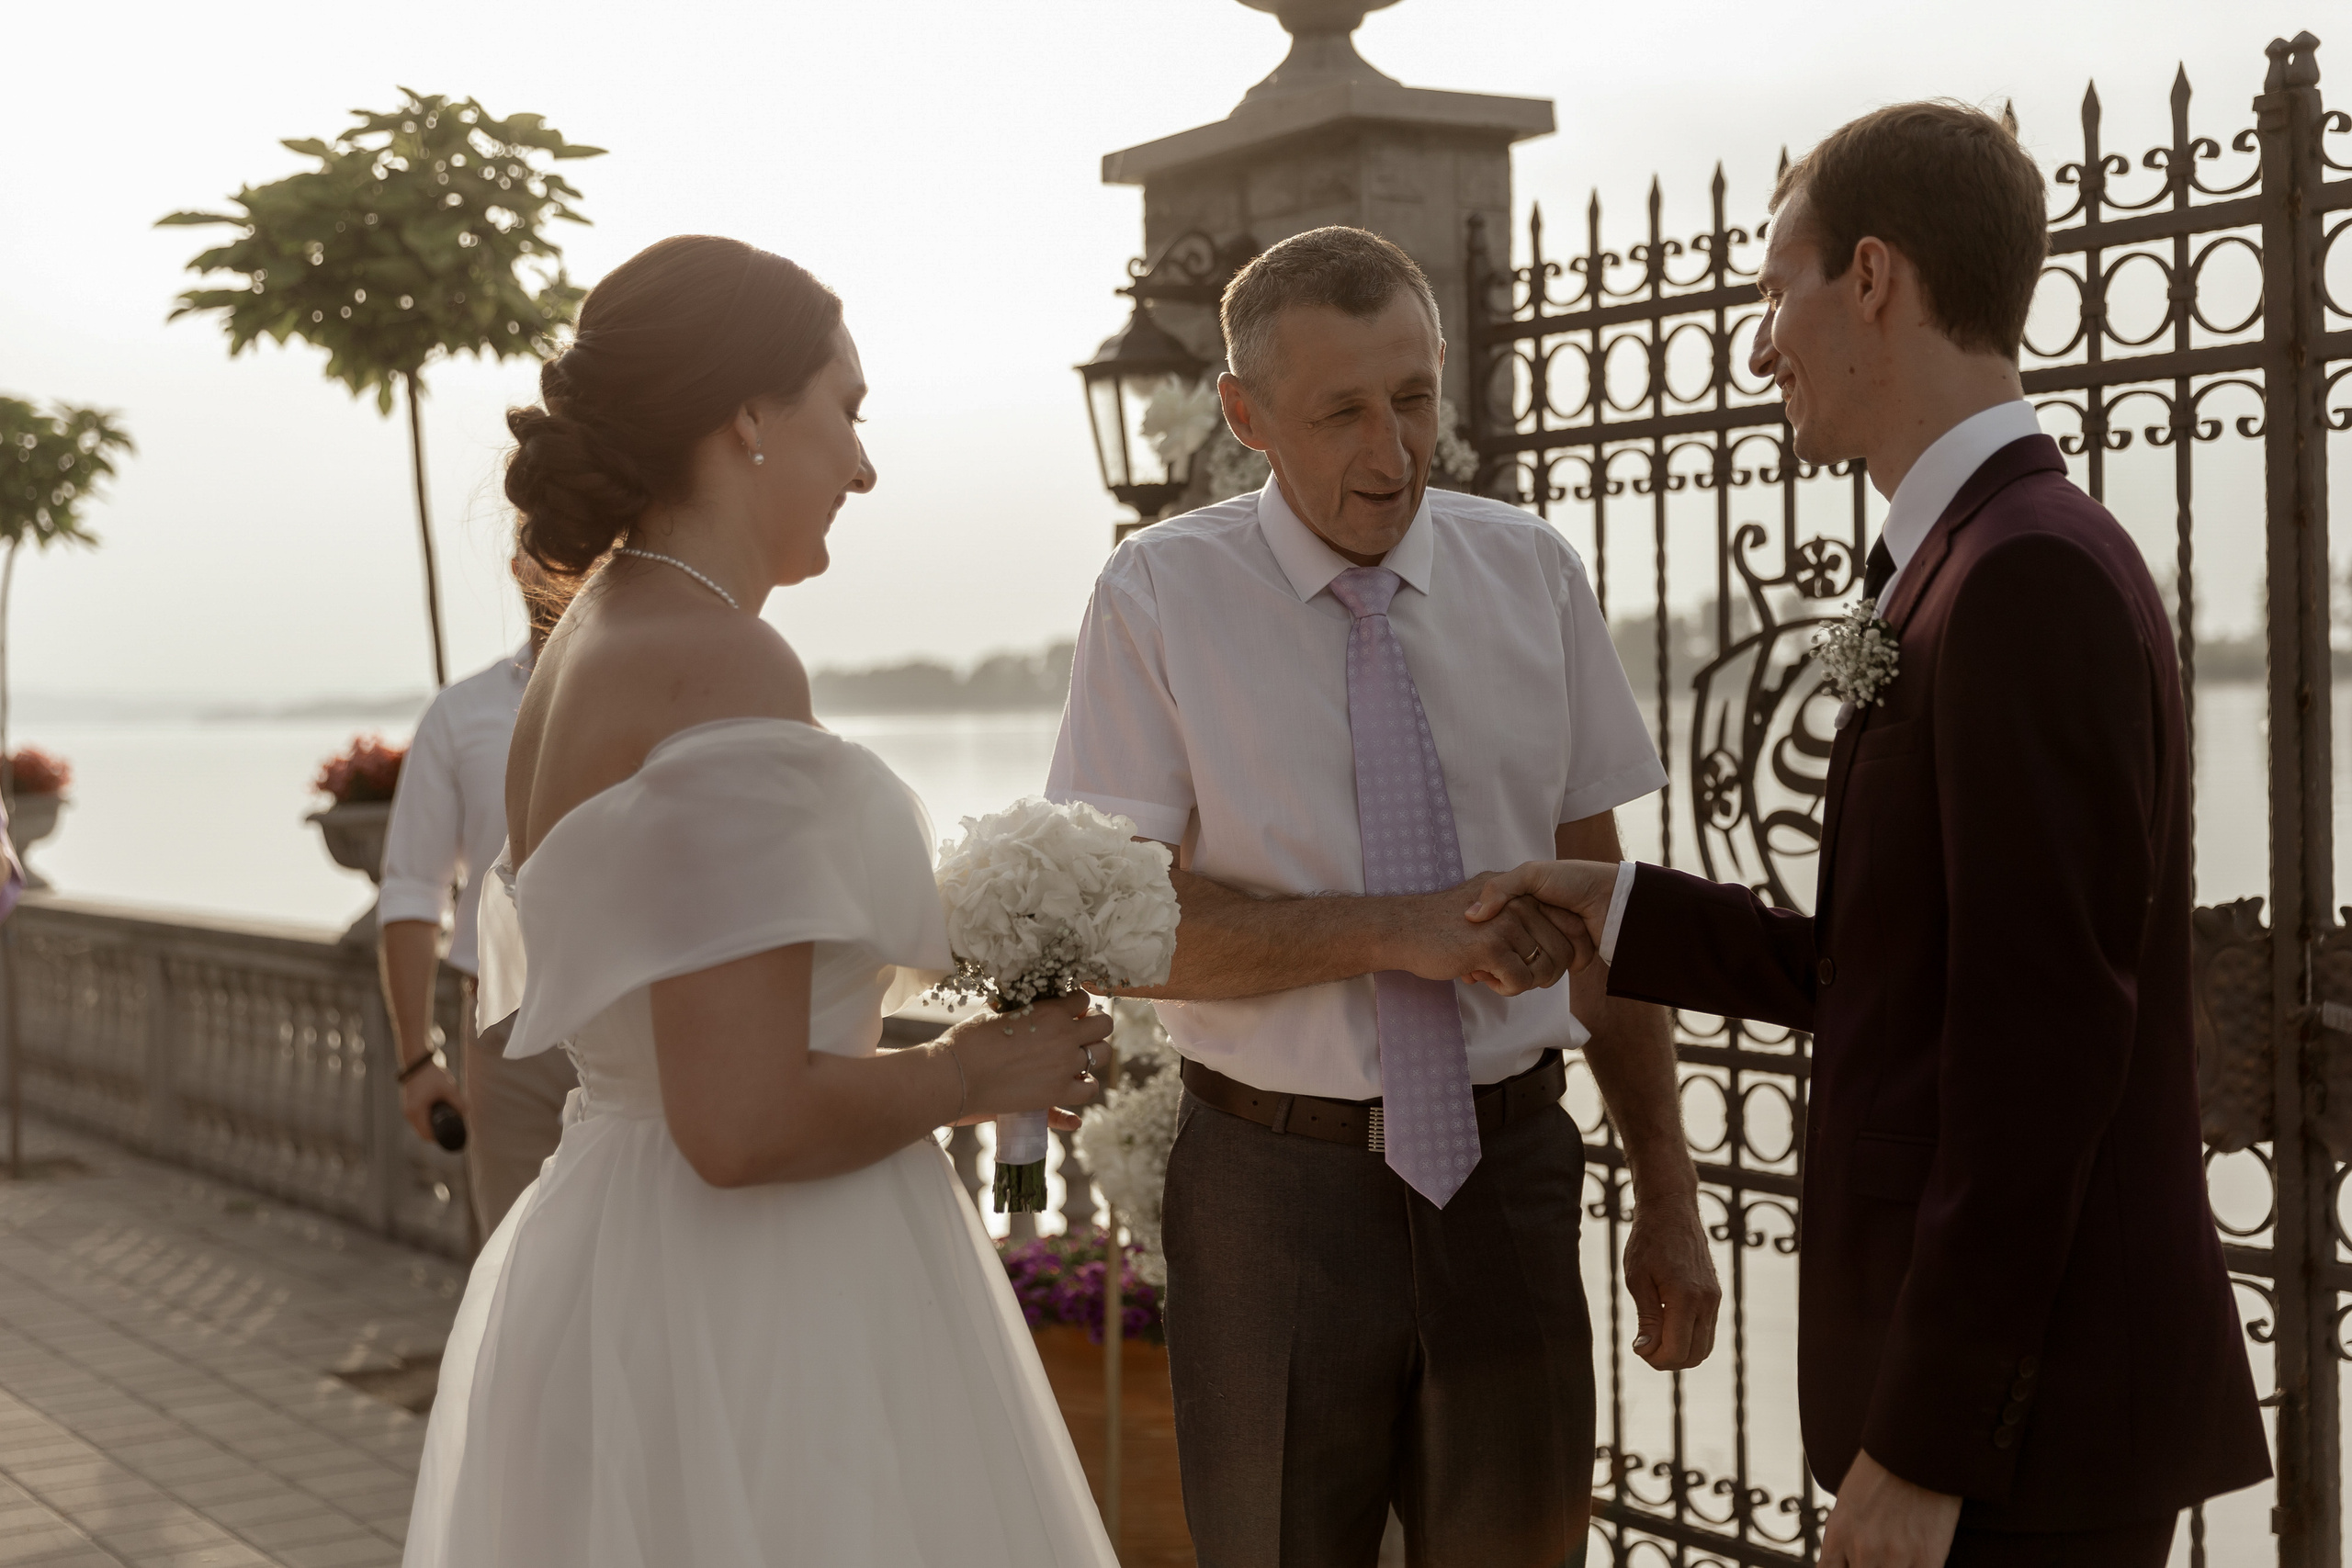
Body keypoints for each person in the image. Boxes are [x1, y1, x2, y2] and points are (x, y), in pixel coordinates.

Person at [1468, 103, 2270, 1567]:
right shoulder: (1967, 562)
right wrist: (1621, 904)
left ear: (1876, 280)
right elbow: (1898, 963)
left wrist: (1925, 1440)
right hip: (1996, 1412)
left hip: (2028, 1434)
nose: (1760, 340)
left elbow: (2044, 1049)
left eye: (1778, 287)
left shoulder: (2027, 578)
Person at [401, 235, 1119, 1568]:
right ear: (746, 416)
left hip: (610, 1261)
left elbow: (694, 1036)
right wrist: (982, 1066)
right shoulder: (720, 662)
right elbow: (738, 1120)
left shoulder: (583, 646)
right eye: (845, 409)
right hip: (753, 1294)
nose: (862, 462)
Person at [1048, 225, 1719, 1568]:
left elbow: (1613, 911)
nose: (1393, 451)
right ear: (1245, 415)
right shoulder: (1156, 597)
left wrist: (1666, 1176)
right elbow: (1120, 933)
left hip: (1513, 1179)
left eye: (1414, 398)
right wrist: (1393, 927)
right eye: (1341, 410)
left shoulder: (1532, 571)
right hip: (1267, 1197)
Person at [379, 553, 575, 1240]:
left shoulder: (673, 694)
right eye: (547, 549)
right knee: (514, 1265)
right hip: (507, 1033)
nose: (565, 566)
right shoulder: (460, 714)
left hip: (652, 1024)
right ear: (519, 565)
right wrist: (415, 1058)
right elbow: (411, 889)